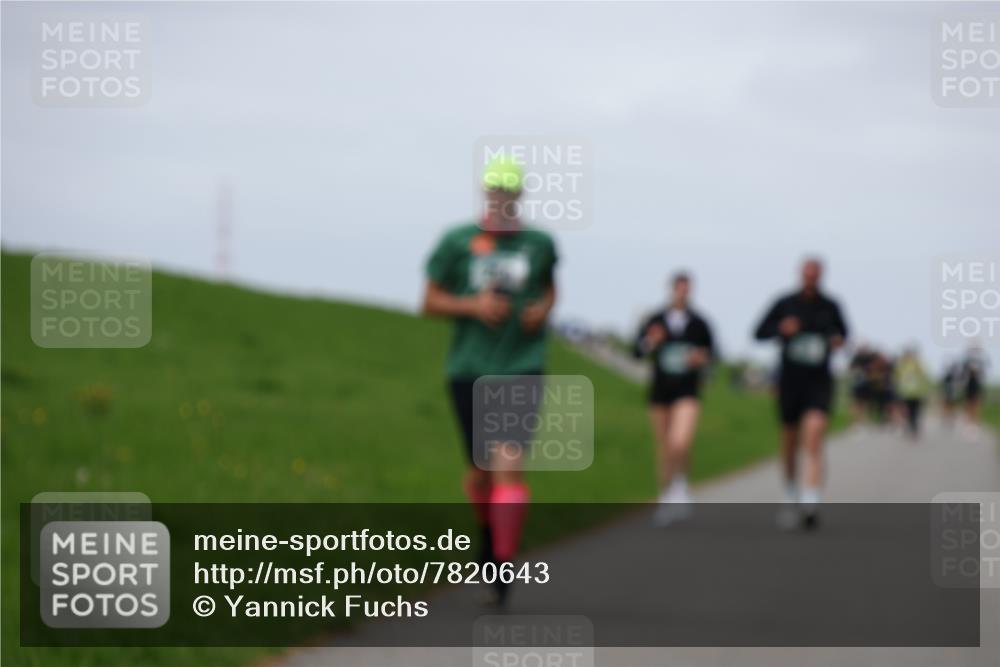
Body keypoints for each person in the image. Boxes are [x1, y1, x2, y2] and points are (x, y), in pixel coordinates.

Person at [422, 156, 558, 605]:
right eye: (495, 193)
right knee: (481, 472)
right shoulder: (458, 241)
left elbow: (550, 287)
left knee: (509, 462)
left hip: (520, 367)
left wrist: (543, 309)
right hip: (468, 368)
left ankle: (502, 565)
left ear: (519, 197)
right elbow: (429, 301)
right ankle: (486, 535)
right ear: (486, 194)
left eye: (509, 194)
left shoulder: (538, 244)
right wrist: (473, 307)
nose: (502, 201)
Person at [754, 258, 848, 529]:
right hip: (790, 380)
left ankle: (811, 497)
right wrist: (781, 329)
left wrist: (836, 340)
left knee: (815, 435)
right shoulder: (784, 304)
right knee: (790, 441)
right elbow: (758, 332)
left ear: (820, 276)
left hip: (818, 381)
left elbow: (844, 334)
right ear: (800, 275)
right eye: (806, 274)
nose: (810, 278)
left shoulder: (830, 307)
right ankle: (791, 490)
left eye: (814, 274)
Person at [632, 272, 715, 526]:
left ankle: (680, 485)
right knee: (665, 446)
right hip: (661, 390)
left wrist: (701, 360)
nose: (683, 293)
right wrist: (651, 342)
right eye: (679, 289)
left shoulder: (700, 323)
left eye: (686, 289)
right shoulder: (655, 320)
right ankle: (666, 496)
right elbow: (636, 350)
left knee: (680, 441)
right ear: (671, 290)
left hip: (687, 389)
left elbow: (711, 355)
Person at [893, 347, 931, 439]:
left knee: (915, 412)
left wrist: (925, 391)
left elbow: (924, 378)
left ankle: (914, 429)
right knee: (906, 412)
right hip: (904, 393)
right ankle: (908, 427)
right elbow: (896, 379)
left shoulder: (918, 365)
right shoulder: (901, 365)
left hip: (916, 393)